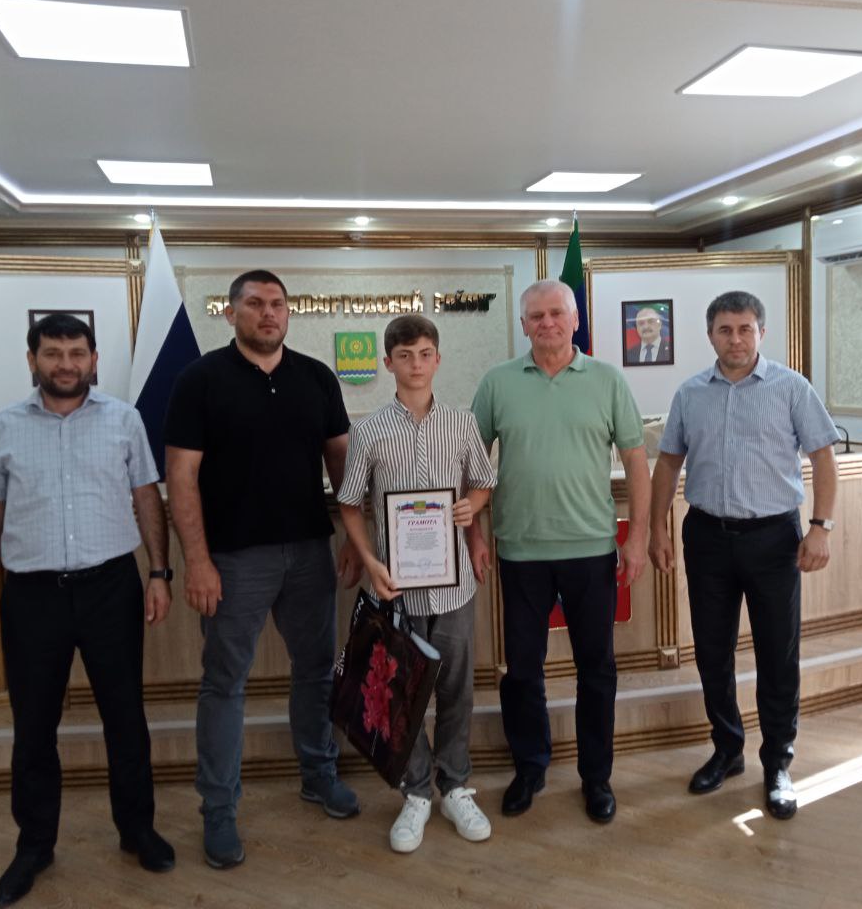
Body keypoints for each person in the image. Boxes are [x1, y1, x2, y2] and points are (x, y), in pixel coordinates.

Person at [0, 313, 175, 908]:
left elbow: (146, 498)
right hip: (31, 596)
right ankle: (34, 845)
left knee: (125, 717)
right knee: (33, 727)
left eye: (76, 353)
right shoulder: (4, 426)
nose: (65, 364)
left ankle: (136, 829)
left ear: (94, 360)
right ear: (32, 360)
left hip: (111, 588)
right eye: (53, 353)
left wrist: (159, 573)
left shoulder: (123, 419)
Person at [164, 270, 361, 870]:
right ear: (231, 313)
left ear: (288, 313)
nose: (268, 313)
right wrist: (197, 562)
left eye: (277, 304)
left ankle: (318, 773)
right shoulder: (200, 380)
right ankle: (219, 809)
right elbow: (181, 477)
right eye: (254, 303)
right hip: (233, 560)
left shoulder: (316, 377)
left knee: (316, 671)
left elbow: (343, 466)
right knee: (225, 683)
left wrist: (357, 541)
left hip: (309, 552)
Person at [648, 291, 839, 821]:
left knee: (778, 653)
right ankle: (727, 749)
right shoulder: (691, 394)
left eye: (746, 328)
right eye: (726, 329)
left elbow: (824, 458)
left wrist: (820, 527)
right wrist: (657, 528)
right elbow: (667, 465)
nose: (736, 339)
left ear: (761, 333)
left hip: (774, 539)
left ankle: (777, 763)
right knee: (713, 652)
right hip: (707, 536)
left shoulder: (791, 388)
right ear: (711, 335)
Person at [470, 279, 650, 824]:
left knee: (597, 669)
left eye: (556, 313)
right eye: (536, 315)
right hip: (519, 551)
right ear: (523, 325)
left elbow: (636, 462)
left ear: (575, 321)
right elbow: (471, 465)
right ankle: (530, 767)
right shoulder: (497, 383)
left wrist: (638, 537)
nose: (546, 323)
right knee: (522, 670)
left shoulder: (607, 380)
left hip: (591, 549)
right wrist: (474, 534)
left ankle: (597, 777)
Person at [337, 314, 497, 853]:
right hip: (396, 589)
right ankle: (416, 791)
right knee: (401, 691)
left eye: (425, 354)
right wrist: (369, 561)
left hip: (453, 588)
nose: (416, 364)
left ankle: (455, 786)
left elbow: (483, 484)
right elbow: (350, 504)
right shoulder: (368, 431)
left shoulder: (462, 423)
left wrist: (470, 507)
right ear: (388, 363)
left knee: (455, 689)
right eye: (404, 356)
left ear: (438, 359)